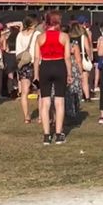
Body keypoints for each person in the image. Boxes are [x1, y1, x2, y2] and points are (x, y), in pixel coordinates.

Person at [32, 10, 71, 144]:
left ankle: (47, 135)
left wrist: (36, 74)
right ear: (58, 21)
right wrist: (70, 74)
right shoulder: (64, 36)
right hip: (59, 65)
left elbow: (37, 58)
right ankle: (59, 134)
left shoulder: (40, 37)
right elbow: (67, 58)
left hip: (45, 67)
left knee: (45, 101)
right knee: (59, 101)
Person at [15, 16, 38, 124]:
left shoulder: (20, 35)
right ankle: (41, 117)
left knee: (24, 92)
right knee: (40, 91)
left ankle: (26, 117)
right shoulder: (37, 34)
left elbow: (18, 52)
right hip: (36, 63)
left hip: (24, 64)